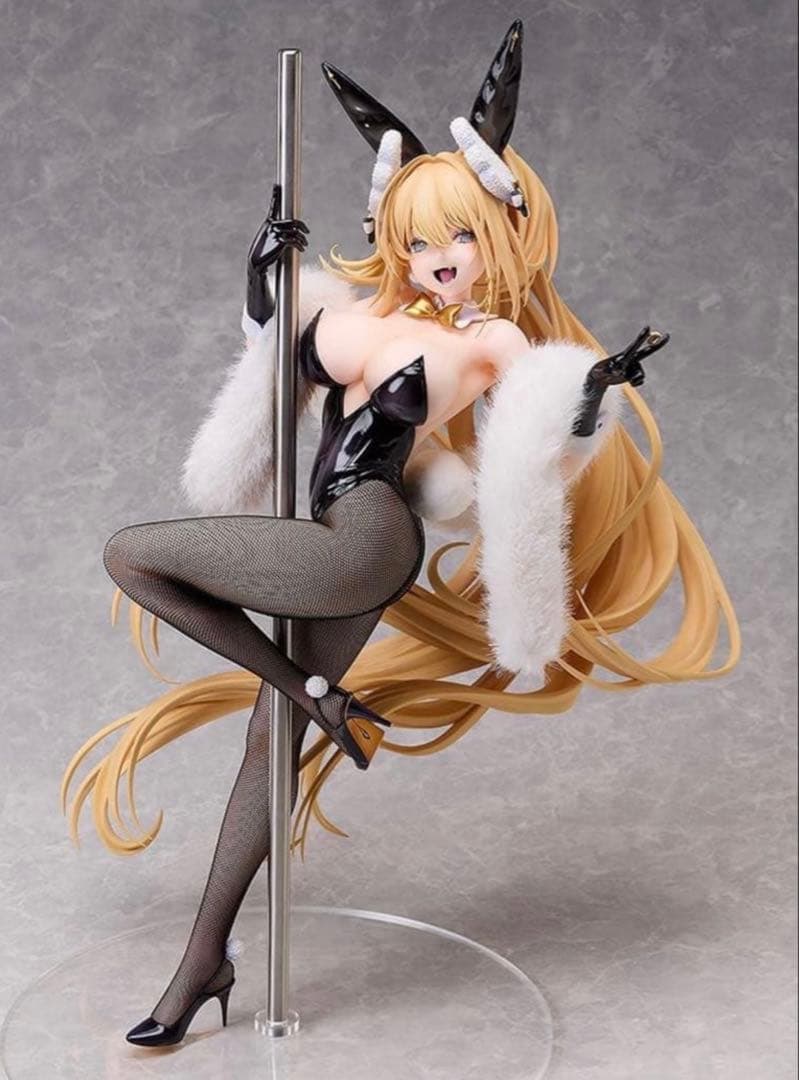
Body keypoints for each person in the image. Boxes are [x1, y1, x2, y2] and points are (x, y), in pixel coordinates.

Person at [60, 20, 741, 1047]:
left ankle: (312, 692)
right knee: (265, 748)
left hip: (366, 539)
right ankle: (204, 963)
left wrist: (591, 394)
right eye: (418, 240)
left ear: (499, 233)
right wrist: (261, 277)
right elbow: (275, 353)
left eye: (458, 237)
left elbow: (539, 436)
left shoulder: (489, 338)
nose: (436, 260)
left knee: (132, 554)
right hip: (332, 532)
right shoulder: (363, 314)